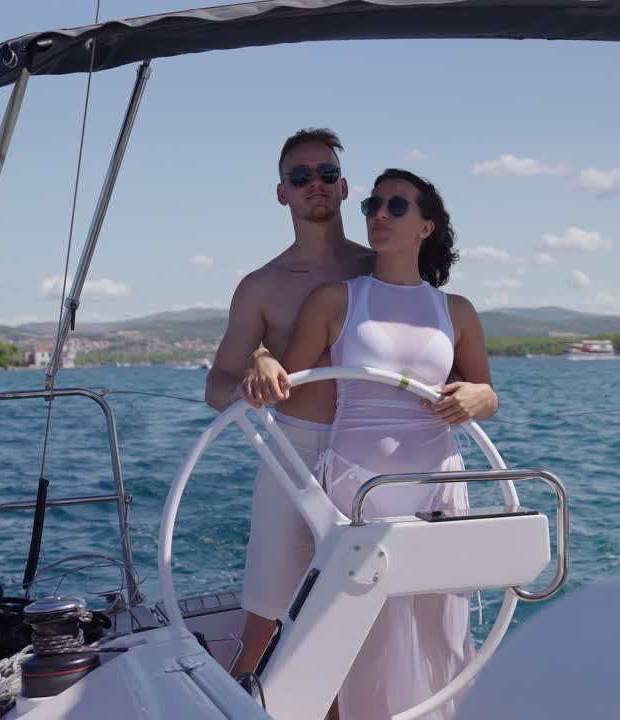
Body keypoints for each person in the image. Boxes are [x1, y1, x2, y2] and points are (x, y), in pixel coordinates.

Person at [279, 168, 498, 719]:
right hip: (357, 489)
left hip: (438, 487)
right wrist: (260, 361)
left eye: (395, 206)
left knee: (442, 634)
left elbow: (488, 394)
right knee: (357, 636)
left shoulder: (456, 311)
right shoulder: (335, 300)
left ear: (426, 225)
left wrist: (477, 398)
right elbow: (284, 385)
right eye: (373, 205)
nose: (379, 213)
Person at [204, 128, 374, 678]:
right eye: (300, 177)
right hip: (293, 451)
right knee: (265, 618)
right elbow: (215, 384)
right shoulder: (261, 285)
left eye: (326, 174)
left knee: (371, 606)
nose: (314, 184)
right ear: (282, 193)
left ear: (345, 188)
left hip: (374, 450)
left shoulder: (383, 269)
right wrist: (253, 375)